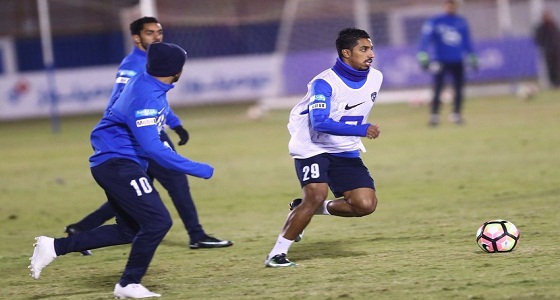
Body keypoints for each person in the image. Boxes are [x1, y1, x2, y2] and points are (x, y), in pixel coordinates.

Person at [29, 42, 210, 298]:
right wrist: (198, 168)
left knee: (130, 230)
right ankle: (128, 283)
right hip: (118, 165)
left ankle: (55, 247)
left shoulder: (150, 84)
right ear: (176, 70)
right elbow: (154, 148)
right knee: (158, 221)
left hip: (118, 163)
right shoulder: (145, 96)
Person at [64, 17, 232, 255]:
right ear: (137, 37)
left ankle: (81, 229)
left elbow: (158, 101)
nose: (157, 37)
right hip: (139, 136)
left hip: (148, 131)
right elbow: (123, 102)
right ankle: (197, 235)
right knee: (176, 183)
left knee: (137, 193)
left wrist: (175, 124)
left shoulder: (156, 61)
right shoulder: (132, 66)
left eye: (159, 32)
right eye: (150, 33)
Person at [264, 28, 383, 268]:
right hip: (312, 145)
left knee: (365, 204)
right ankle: (277, 254)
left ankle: (306, 209)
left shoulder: (376, 77)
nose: (370, 54)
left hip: (344, 148)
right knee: (316, 194)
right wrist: (362, 130)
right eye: (364, 49)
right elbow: (320, 122)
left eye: (370, 48)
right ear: (346, 52)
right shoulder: (323, 83)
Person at [417, 0, 477, 126]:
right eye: (448, 4)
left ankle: (456, 114)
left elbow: (466, 41)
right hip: (440, 60)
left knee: (459, 89)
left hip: (457, 60)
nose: (450, 7)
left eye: (453, 4)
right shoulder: (435, 21)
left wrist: (472, 56)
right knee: (438, 88)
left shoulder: (461, 22)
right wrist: (423, 55)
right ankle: (434, 116)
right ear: (444, 6)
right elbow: (425, 40)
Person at [535, 11, 560, 88]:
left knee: (557, 66)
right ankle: (553, 83)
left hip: (557, 49)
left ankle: (558, 82)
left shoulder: (554, 26)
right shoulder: (541, 28)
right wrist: (545, 46)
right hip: (548, 50)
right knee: (550, 67)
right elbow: (538, 39)